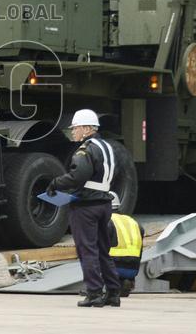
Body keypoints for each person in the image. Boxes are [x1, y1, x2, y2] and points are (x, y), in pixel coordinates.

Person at [47, 109, 124, 307]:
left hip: (86, 207)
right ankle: (113, 292)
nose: (72, 132)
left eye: (75, 128)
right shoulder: (107, 147)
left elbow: (77, 176)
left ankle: (94, 294)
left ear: (87, 129)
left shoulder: (86, 149)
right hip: (104, 204)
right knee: (102, 250)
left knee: (87, 250)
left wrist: (56, 183)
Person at [109, 193, 144, 297]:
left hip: (112, 268)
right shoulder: (134, 222)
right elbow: (140, 250)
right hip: (133, 269)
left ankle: (97, 287)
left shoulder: (106, 221)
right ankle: (127, 281)